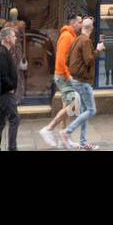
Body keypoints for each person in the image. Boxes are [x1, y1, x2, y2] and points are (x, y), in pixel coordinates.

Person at [39, 14, 82, 148]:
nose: (81, 25)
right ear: (73, 23)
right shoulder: (66, 36)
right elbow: (61, 59)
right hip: (64, 76)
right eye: (80, 22)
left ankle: (65, 138)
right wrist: (69, 76)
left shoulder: (71, 36)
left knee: (67, 106)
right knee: (73, 103)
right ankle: (48, 129)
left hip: (64, 76)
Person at [61, 16, 101, 150]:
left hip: (75, 79)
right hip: (83, 82)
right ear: (91, 28)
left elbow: (67, 60)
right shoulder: (86, 41)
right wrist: (98, 50)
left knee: (84, 111)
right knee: (91, 110)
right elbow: (89, 60)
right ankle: (67, 132)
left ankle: (83, 143)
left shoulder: (76, 39)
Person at [0, 26, 20, 151]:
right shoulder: (2, 53)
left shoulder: (4, 51)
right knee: (14, 119)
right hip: (6, 94)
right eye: (14, 36)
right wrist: (10, 87)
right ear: (8, 38)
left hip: (3, 94)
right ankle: (12, 148)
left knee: (0, 122)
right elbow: (2, 74)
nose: (15, 38)